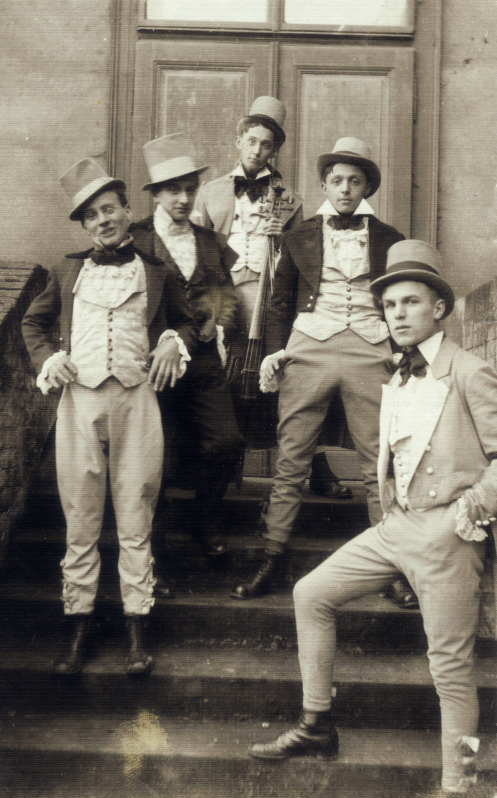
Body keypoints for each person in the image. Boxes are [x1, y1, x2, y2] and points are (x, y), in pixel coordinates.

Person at [249, 239, 497, 798]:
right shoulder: (396, 372)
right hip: (395, 527)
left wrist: (471, 508)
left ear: (439, 307)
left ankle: (459, 784)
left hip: (448, 535)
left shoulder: (469, 371)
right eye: (389, 305)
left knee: (450, 669)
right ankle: (317, 725)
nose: (398, 314)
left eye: (411, 302)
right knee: (311, 593)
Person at [22, 158, 197, 676]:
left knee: (136, 513)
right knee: (81, 517)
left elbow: (189, 321)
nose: (103, 220)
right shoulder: (66, 269)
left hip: (137, 402)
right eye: (91, 215)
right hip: (79, 403)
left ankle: (137, 628)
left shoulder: (157, 270)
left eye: (109, 209)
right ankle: (79, 625)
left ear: (126, 210)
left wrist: (173, 341)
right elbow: (33, 324)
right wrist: (49, 359)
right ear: (84, 225)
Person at [231, 137, 405, 600]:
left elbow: (400, 300)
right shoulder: (300, 235)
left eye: (354, 181)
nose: (345, 189)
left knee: (378, 463)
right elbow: (278, 303)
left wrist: (399, 351)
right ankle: (273, 555)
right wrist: (275, 353)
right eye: (337, 180)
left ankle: (392, 567)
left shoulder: (390, 238)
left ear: (366, 187)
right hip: (309, 345)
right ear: (324, 185)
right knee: (291, 460)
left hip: (370, 347)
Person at [193, 96, 350, 497]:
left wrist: (280, 244)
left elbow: (300, 261)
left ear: (274, 150)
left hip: (270, 299)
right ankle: (225, 469)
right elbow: (197, 251)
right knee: (223, 378)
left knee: (287, 378)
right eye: (251, 141)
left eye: (266, 144)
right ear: (238, 141)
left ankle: (315, 466)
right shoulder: (210, 192)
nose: (257, 150)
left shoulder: (288, 198)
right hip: (223, 297)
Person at [131, 133, 245, 581]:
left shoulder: (209, 240)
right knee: (152, 452)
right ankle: (152, 539)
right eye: (173, 190)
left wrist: (218, 322)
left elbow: (227, 298)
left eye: (190, 189)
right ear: (156, 195)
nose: (183, 198)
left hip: (202, 360)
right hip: (151, 364)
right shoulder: (135, 238)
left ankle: (205, 515)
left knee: (227, 441)